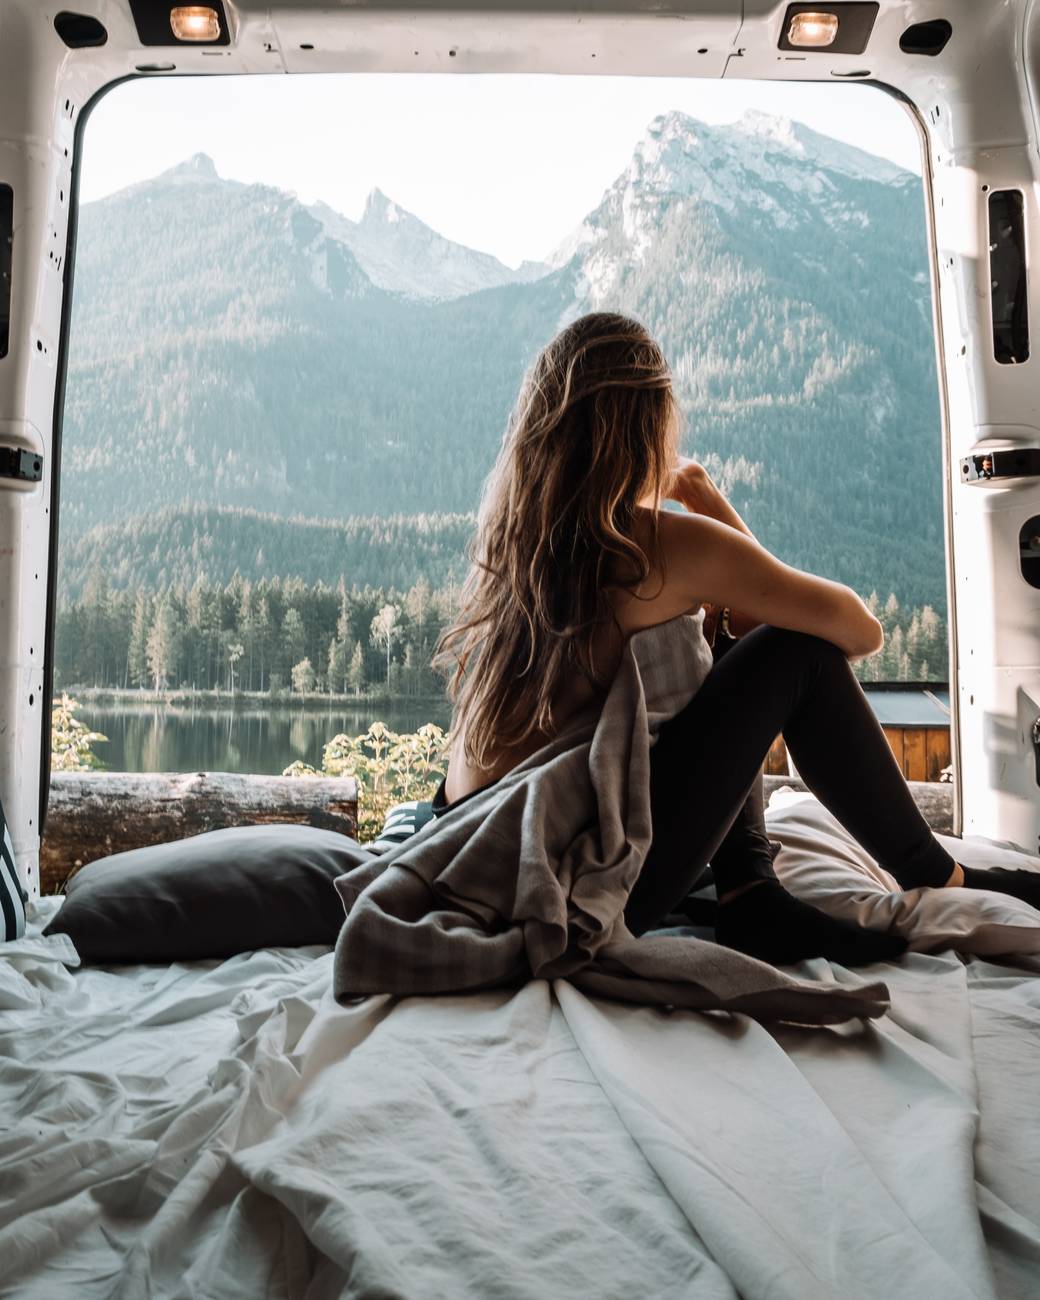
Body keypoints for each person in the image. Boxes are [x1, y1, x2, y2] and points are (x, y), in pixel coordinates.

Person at [429, 311, 1040, 967]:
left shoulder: (513, 552)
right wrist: (704, 498)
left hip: (471, 860)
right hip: (564, 895)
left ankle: (751, 893)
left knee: (719, 640)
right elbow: (857, 631)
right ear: (648, 425)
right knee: (796, 650)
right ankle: (931, 872)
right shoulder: (657, 544)